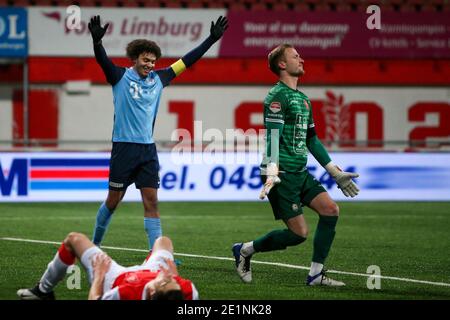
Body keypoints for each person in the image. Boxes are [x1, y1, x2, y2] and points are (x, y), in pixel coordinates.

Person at [87, 15, 228, 250]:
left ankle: (156, 254)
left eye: (153, 61)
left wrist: (211, 40)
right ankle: (94, 245)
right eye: (146, 60)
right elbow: (103, 62)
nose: (150, 65)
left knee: (151, 201)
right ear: (135, 59)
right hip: (124, 148)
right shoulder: (119, 76)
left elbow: (187, 60)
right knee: (113, 201)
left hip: (147, 150)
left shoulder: (160, 78)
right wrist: (97, 43)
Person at [232, 44, 359, 286]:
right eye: (295, 56)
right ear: (282, 64)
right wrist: (271, 170)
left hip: (301, 173)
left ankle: (316, 275)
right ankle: (245, 250)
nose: (301, 59)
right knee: (298, 234)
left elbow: (311, 138)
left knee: (331, 210)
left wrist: (333, 171)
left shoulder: (303, 99)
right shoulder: (277, 96)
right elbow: (272, 137)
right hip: (281, 173)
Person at [17, 232, 198, 300]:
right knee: (163, 241)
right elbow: (171, 284)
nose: (170, 278)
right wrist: (173, 277)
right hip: (150, 271)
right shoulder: (186, 290)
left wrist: (98, 277)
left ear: (151, 292)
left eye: (165, 282)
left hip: (114, 278)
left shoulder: (125, 294)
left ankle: (43, 290)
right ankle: (147, 263)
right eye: (173, 280)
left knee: (74, 240)